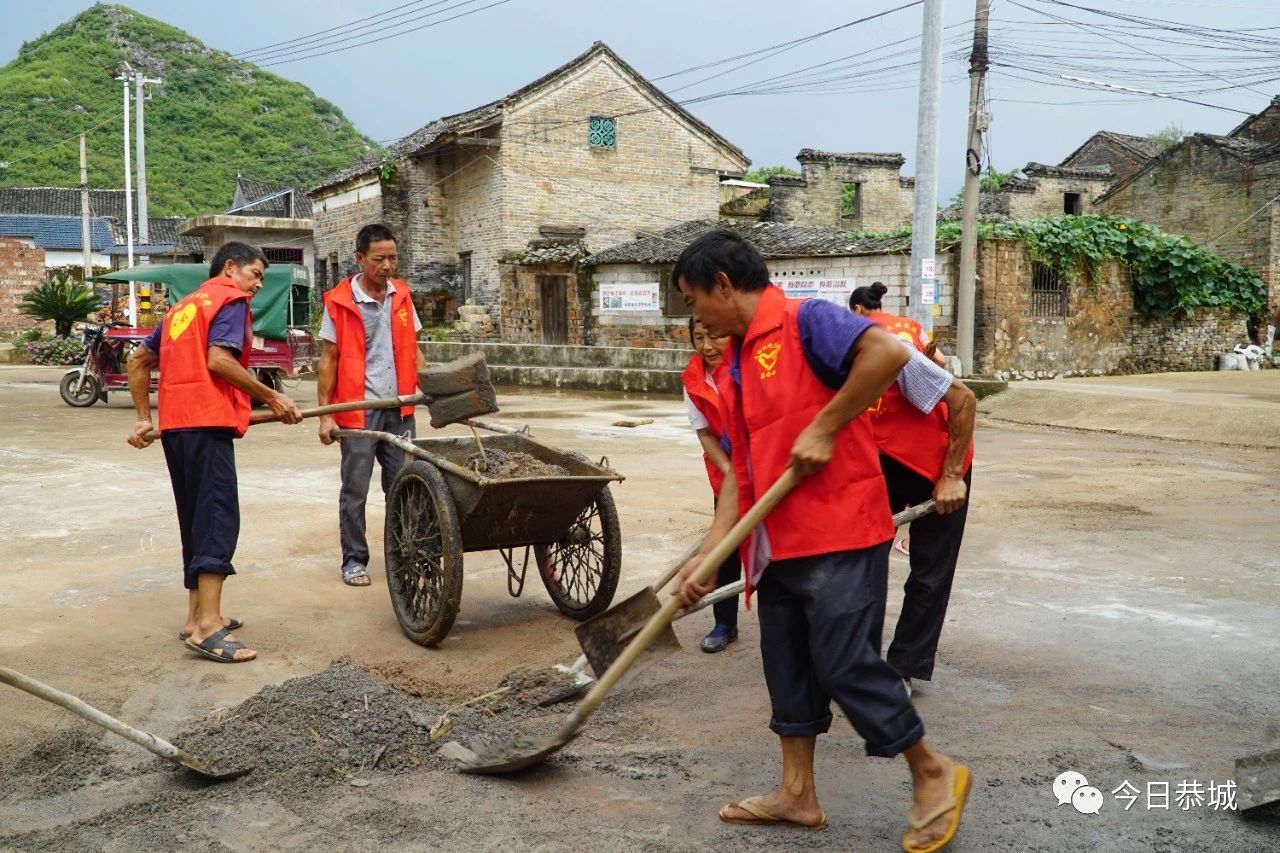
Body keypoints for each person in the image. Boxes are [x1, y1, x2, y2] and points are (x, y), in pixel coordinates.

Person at [671, 230, 971, 852]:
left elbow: (886, 355)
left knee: (844, 663)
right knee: (786, 667)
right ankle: (797, 794)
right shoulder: (734, 362)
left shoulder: (807, 321)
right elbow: (742, 477)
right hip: (779, 543)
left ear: (724, 284)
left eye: (695, 298)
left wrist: (827, 425)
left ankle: (933, 772)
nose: (694, 314)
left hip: (841, 530)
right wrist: (709, 555)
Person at [126, 242, 303, 663]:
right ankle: (208, 628)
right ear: (230, 267)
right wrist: (273, 398)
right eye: (255, 274)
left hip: (177, 428)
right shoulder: (230, 299)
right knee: (218, 516)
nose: (258, 285)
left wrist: (142, 419)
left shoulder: (184, 307)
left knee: (196, 517)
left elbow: (138, 359)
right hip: (205, 424)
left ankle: (196, 615)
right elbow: (219, 361)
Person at [851, 282, 977, 695]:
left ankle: (903, 665)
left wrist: (952, 474)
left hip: (937, 456)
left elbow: (963, 400)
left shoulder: (894, 352)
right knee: (860, 560)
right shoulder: (822, 359)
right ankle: (855, 662)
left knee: (929, 571)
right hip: (880, 454)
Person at [317, 223, 427, 587]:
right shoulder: (339, 301)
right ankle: (354, 560)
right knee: (355, 490)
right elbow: (328, 361)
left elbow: (414, 350)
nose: (387, 266)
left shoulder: (403, 296)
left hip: (401, 409)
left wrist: (432, 391)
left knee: (406, 488)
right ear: (360, 258)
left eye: (393, 258)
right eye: (379, 259)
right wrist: (325, 417)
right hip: (357, 412)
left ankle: (407, 555)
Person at [681, 315, 741, 653]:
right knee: (725, 549)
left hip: (762, 469)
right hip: (725, 470)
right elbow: (704, 432)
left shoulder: (745, 368)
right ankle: (725, 622)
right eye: (698, 337)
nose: (706, 345)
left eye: (714, 335)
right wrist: (730, 471)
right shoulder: (692, 380)